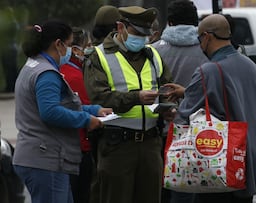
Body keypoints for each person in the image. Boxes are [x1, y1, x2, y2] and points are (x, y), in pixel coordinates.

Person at [165, 14, 256, 203]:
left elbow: (185, 114)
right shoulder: (250, 65)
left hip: (219, 164)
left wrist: (168, 111)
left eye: (199, 39)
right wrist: (188, 92)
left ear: (207, 37)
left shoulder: (208, 70)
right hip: (249, 160)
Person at [12, 20, 113, 203]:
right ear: (57, 44)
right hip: (45, 159)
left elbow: (61, 105)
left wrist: (94, 110)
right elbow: (50, 111)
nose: (69, 51)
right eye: (68, 45)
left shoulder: (33, 66)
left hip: (38, 157)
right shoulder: (46, 73)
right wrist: (85, 119)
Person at [83, 6, 173, 203]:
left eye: (146, 35)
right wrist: (136, 98)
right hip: (117, 146)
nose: (142, 39)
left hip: (151, 144)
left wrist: (168, 107)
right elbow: (99, 98)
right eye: (137, 33)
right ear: (121, 27)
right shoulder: (99, 56)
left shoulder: (153, 54)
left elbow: (166, 87)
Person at [151, 1, 208, 202]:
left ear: (170, 22)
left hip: (162, 131)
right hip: (202, 133)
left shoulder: (153, 51)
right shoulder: (208, 50)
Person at [59, 27, 93, 203]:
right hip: (78, 149)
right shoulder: (75, 76)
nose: (90, 48)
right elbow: (82, 108)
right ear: (76, 49)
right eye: (88, 45)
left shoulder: (58, 69)